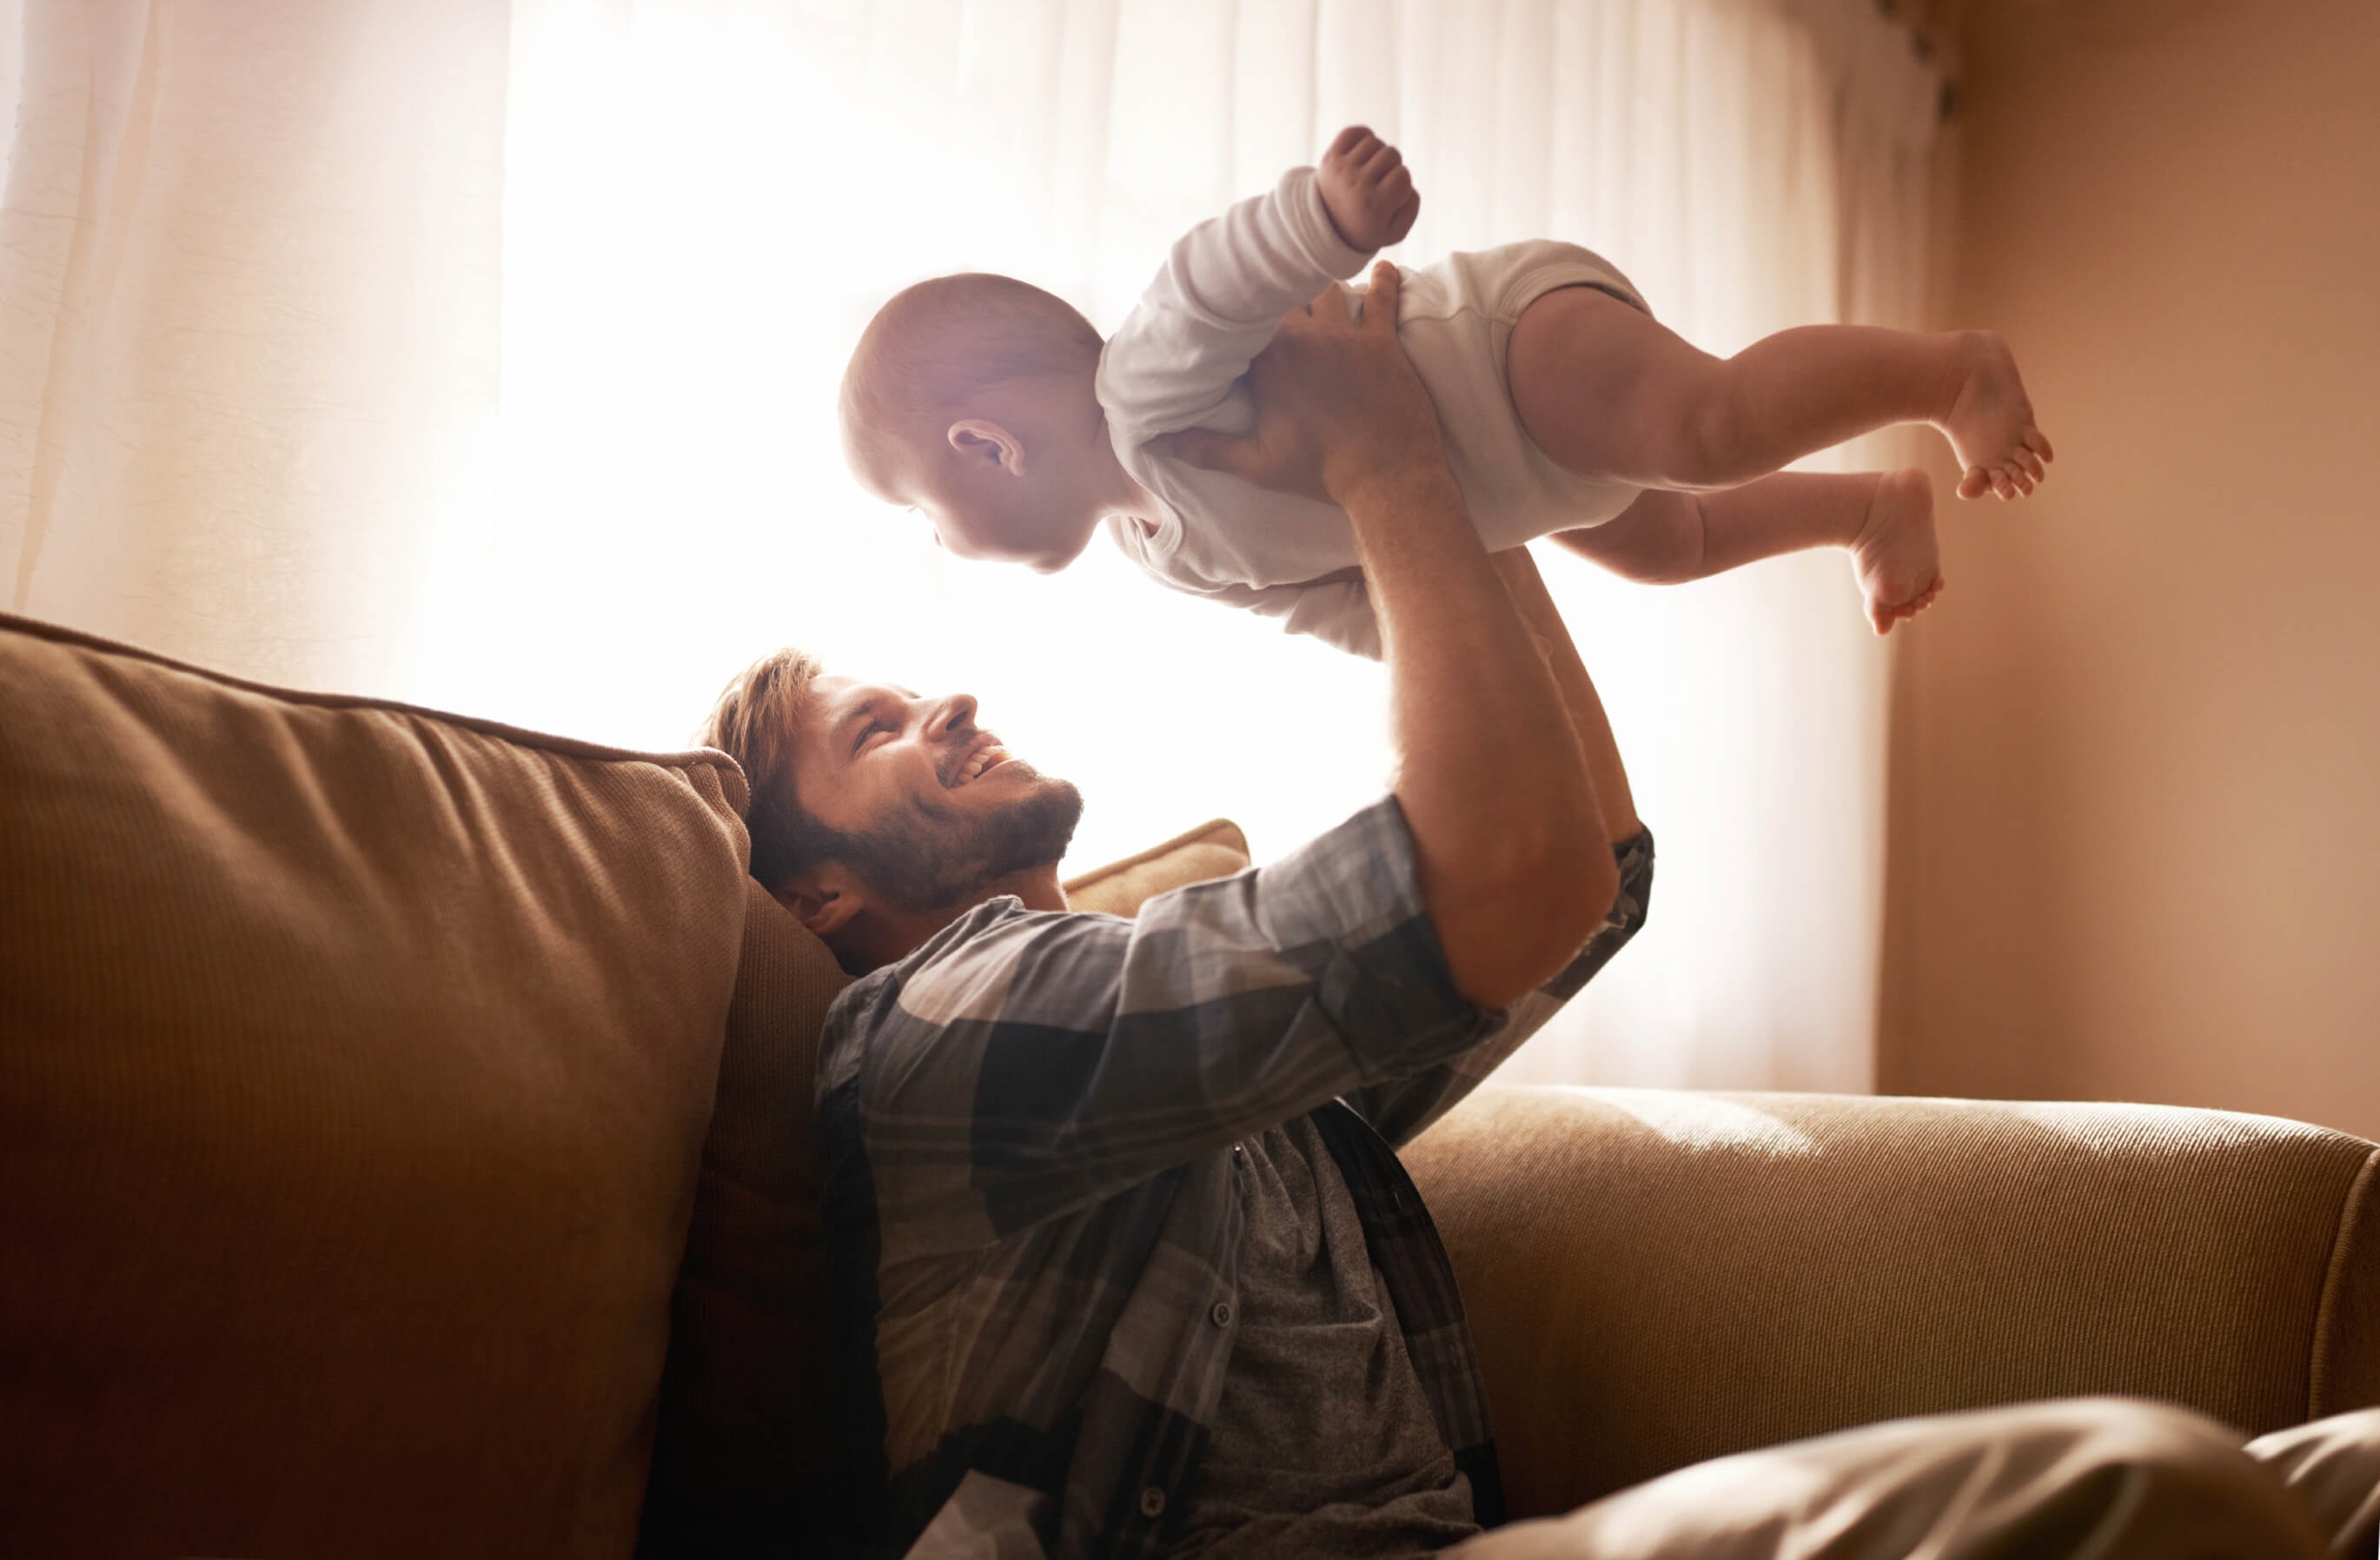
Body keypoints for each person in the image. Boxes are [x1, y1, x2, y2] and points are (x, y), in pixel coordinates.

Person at [712, 269, 2375, 1557]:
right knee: (2128, 1494)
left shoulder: (1173, 1042)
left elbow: (1586, 881)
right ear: (820, 892)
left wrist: (1415, 512)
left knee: (2351, 1483)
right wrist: (1382, 465)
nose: (946, 706)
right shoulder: (948, 1033)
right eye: (874, 731)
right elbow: (1512, 873)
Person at [836, 126, 2052, 659]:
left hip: (1503, 350)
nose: (938, 545)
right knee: (1670, 544)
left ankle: (1954, 372)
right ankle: (1867, 509)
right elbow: (1342, 600)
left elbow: (1210, 282)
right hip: (1516, 480)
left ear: (988, 445)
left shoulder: (1143, 393)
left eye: (921, 512)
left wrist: (1324, 219)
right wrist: (1435, 650)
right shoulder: (1171, 563)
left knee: (1707, 431)